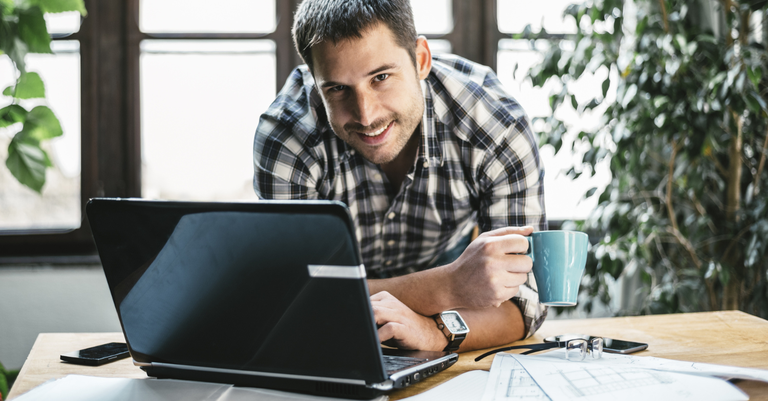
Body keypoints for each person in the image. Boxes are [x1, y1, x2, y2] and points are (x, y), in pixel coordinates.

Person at [253, 0, 547, 353]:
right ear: (316, 86)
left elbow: (524, 304)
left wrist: (435, 332)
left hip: (450, 314)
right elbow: (295, 298)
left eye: (381, 77)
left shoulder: (496, 126)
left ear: (421, 59)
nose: (365, 114)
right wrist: (448, 285)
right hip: (342, 336)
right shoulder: (286, 137)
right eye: (337, 89)